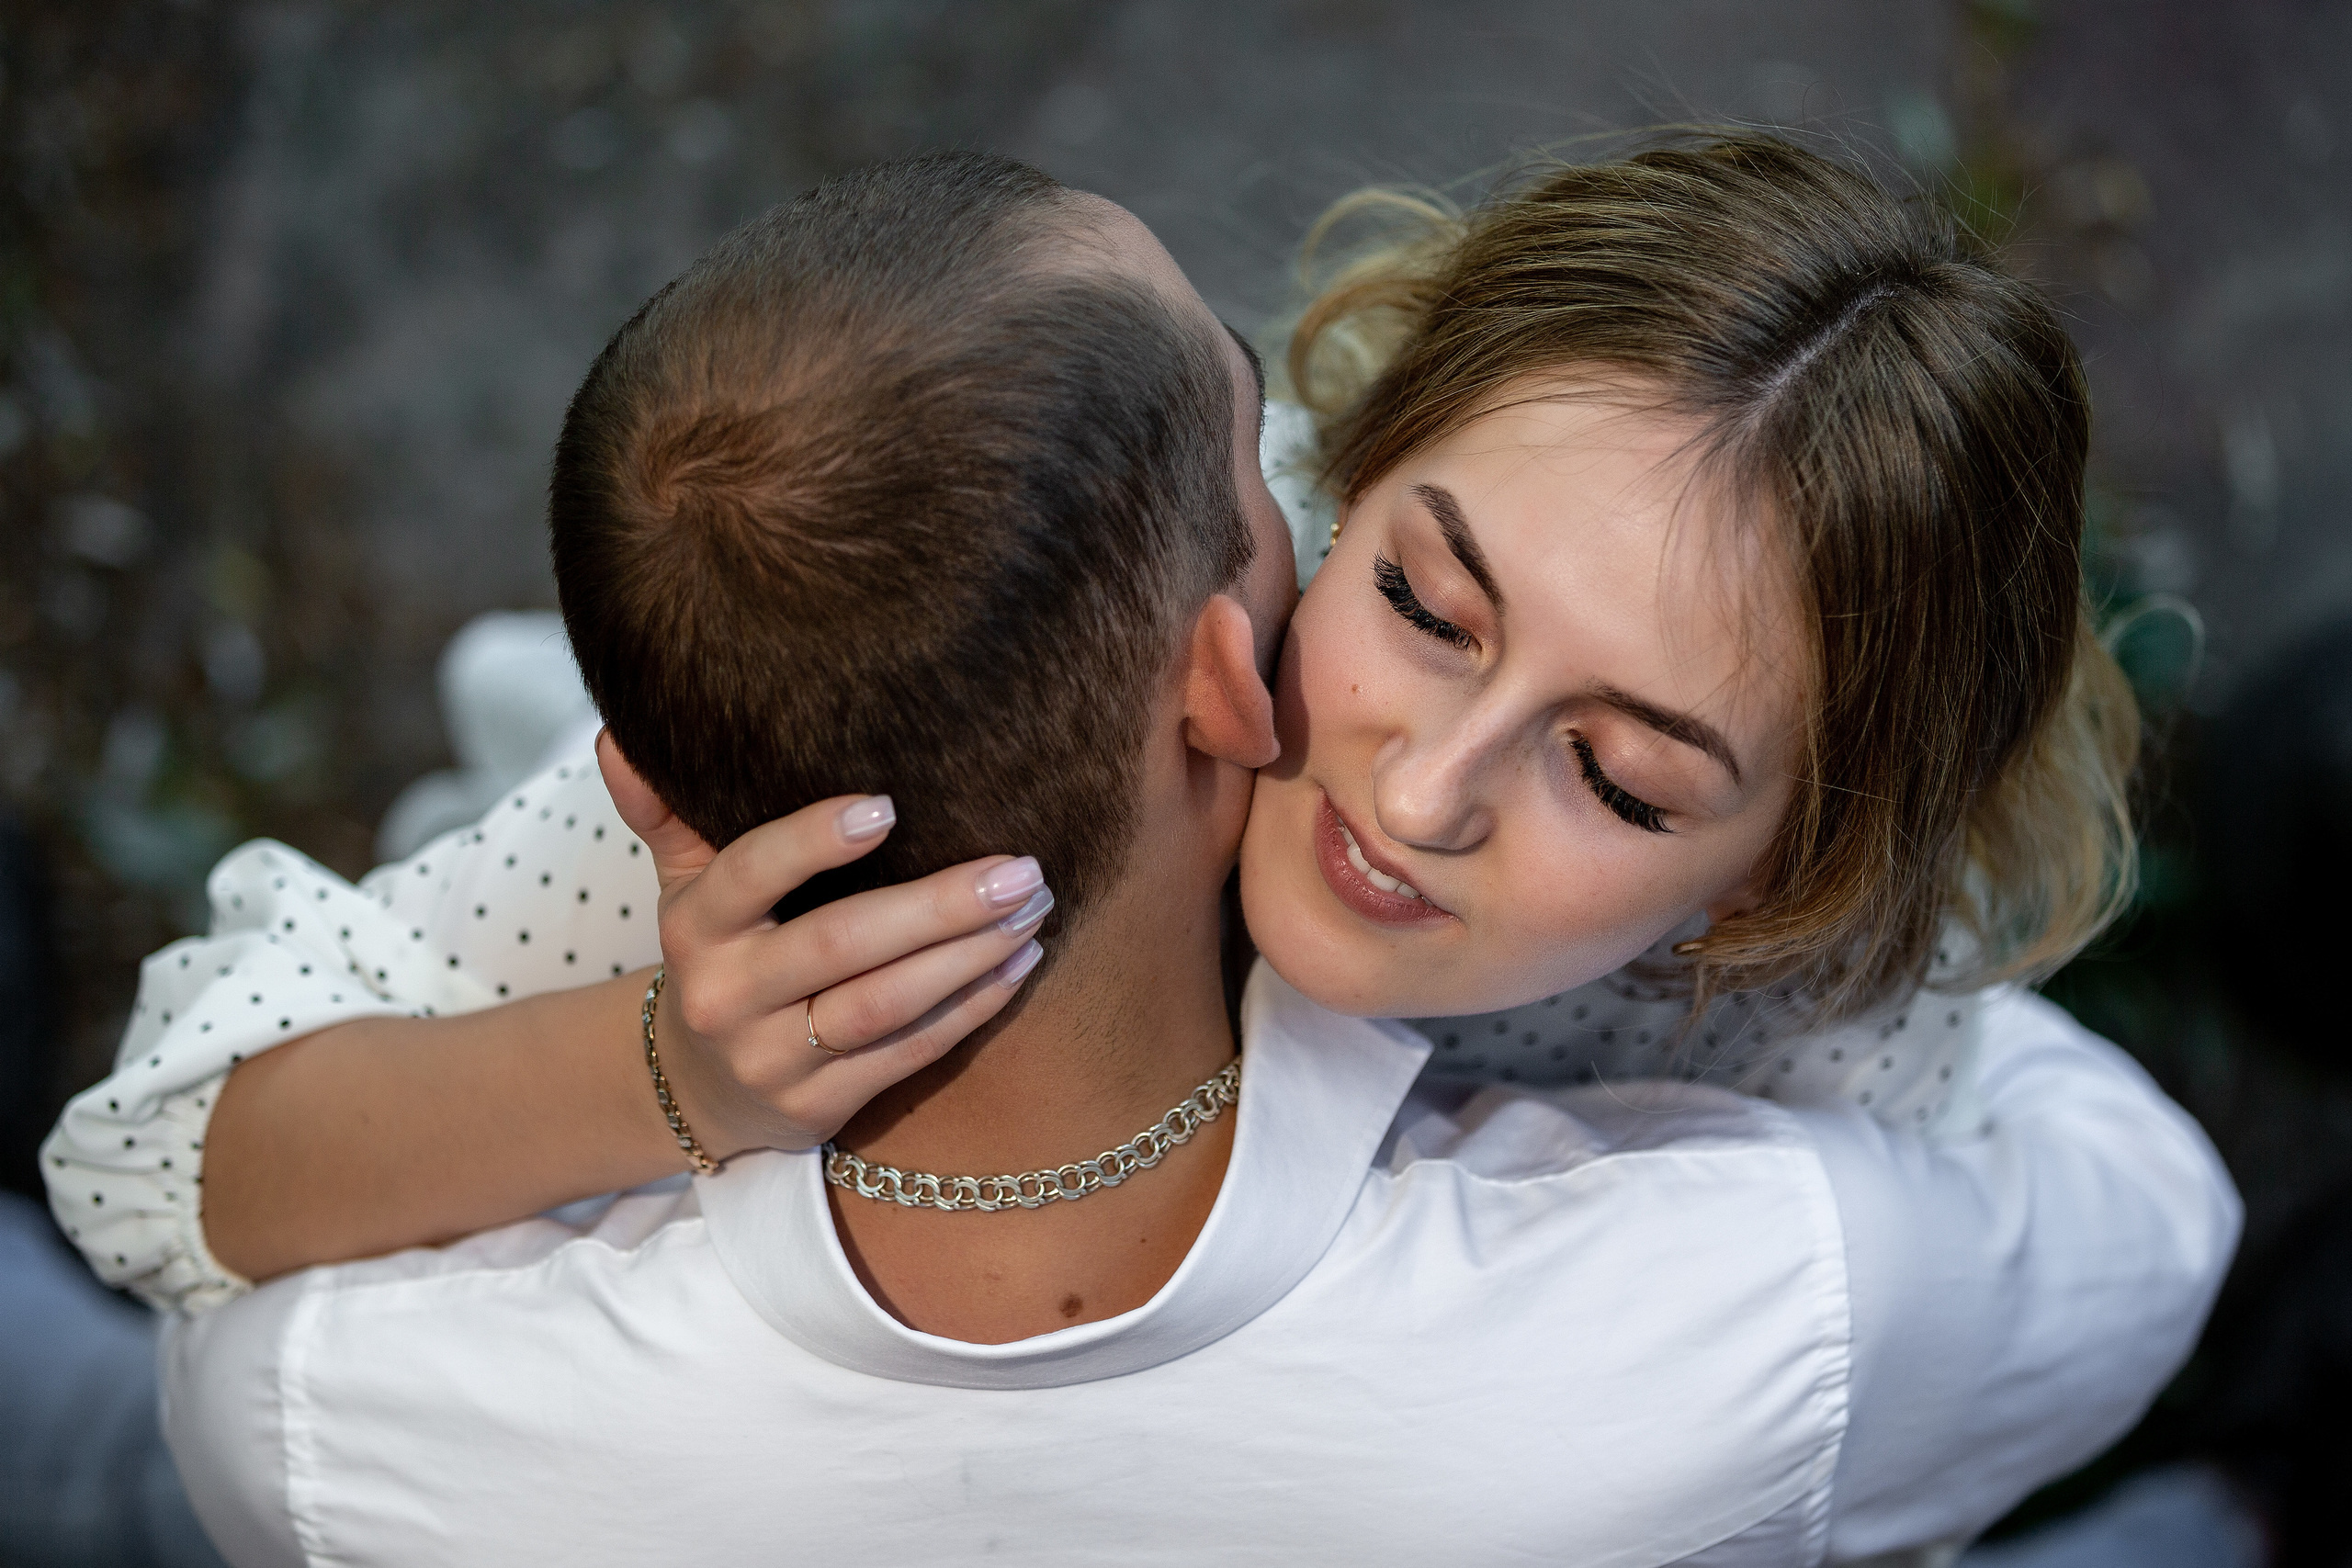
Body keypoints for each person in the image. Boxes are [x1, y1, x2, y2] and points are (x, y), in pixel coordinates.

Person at [51, 142, 2233, 1564]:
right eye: (1418, 597)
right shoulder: (976, 729)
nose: (1417, 786)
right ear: (1324, 480)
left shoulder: (1809, 1013)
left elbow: (2049, 1252)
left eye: (1629, 781)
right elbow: (151, 1167)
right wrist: (661, 1071)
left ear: (1776, 878)